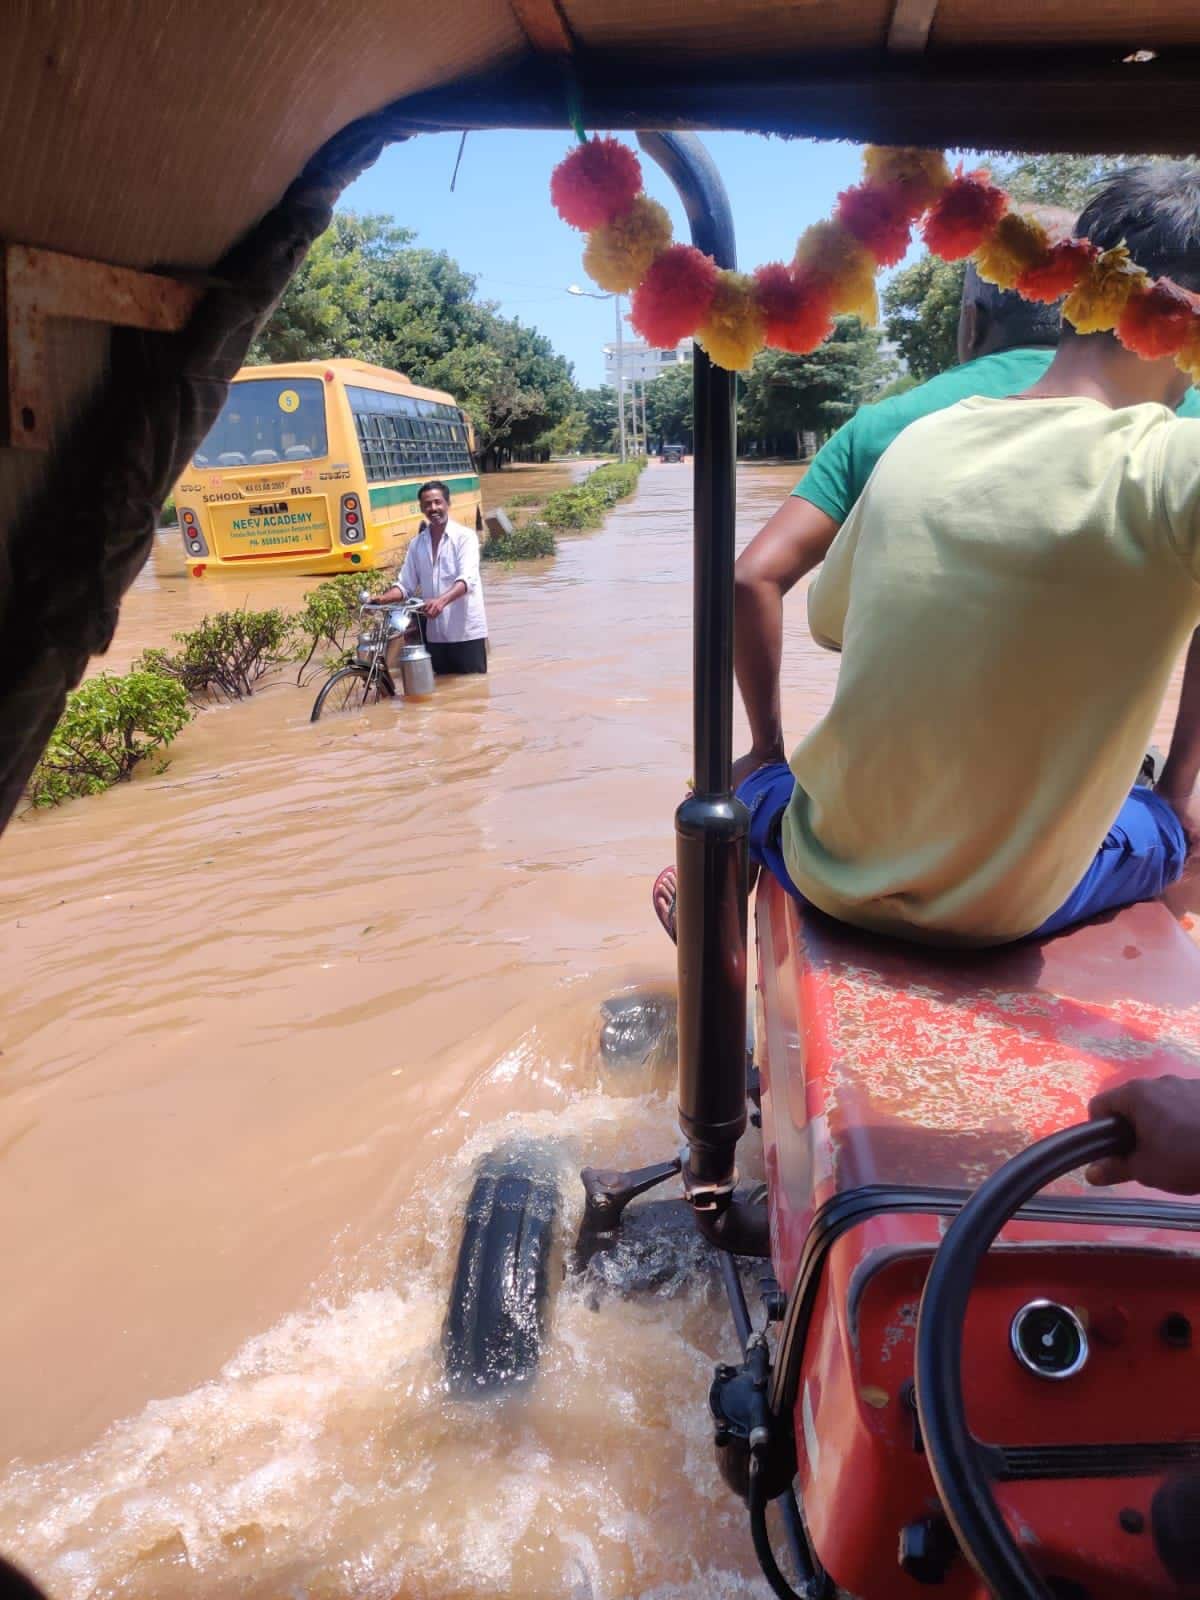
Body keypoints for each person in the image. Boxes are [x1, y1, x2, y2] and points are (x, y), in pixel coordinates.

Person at [661, 164, 1200, 946]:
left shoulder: (914, 439)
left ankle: (743, 859)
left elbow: (807, 606)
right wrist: (1181, 784)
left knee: (769, 779)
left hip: (830, 866)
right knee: (1164, 821)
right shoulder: (1173, 464)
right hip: (998, 909)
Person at [374, 481, 488, 674]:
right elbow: (404, 585)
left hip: (466, 633)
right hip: (435, 635)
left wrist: (441, 601)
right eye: (427, 504)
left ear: (447, 504)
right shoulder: (417, 544)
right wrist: (382, 599)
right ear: (421, 508)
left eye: (437, 502)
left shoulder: (465, 537)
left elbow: (467, 580)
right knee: (442, 690)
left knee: (472, 689)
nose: (433, 508)